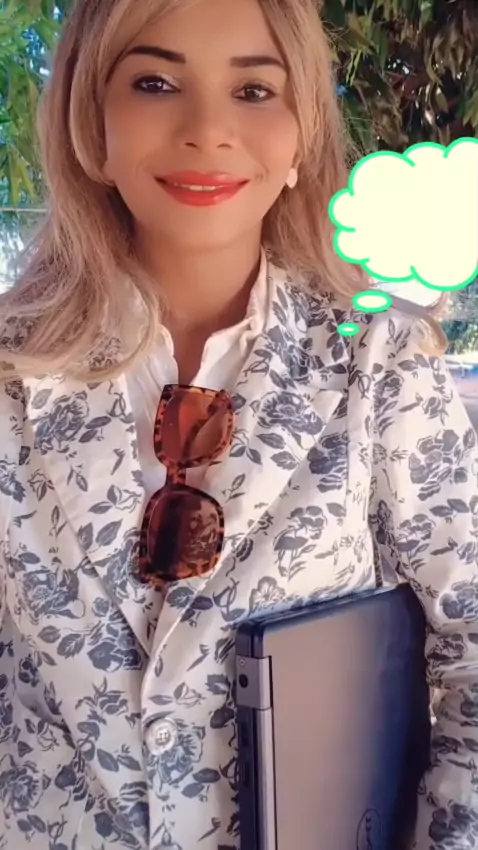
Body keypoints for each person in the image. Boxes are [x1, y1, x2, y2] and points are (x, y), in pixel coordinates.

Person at [0, 0, 477, 847]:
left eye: (255, 91)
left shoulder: (380, 358)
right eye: (155, 83)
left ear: (301, 137)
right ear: (90, 124)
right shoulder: (10, 369)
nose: (208, 130)